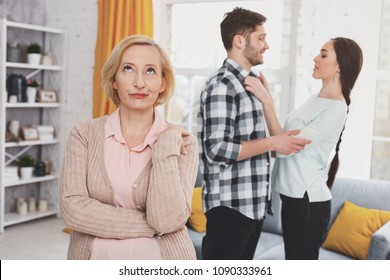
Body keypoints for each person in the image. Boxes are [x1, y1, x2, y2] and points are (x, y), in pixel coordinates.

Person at [60, 35, 199, 260]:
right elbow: (73, 209)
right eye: (128, 69)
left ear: (163, 82)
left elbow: (167, 220)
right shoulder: (84, 134)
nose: (139, 83)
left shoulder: (183, 143)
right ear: (114, 79)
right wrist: (150, 226)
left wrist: (164, 146)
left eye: (150, 71)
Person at [197, 7, 311, 260]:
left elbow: (267, 140)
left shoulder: (251, 84)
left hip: (253, 208)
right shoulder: (222, 85)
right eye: (261, 37)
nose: (267, 45)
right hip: (229, 210)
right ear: (239, 41)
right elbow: (215, 149)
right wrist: (274, 141)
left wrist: (269, 105)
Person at [245, 37, 363, 259]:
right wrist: (266, 96)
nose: (316, 58)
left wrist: (265, 101)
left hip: (308, 204)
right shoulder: (316, 99)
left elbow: (286, 147)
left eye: (324, 54)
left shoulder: (336, 109)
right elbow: (281, 138)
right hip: (293, 200)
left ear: (340, 66)